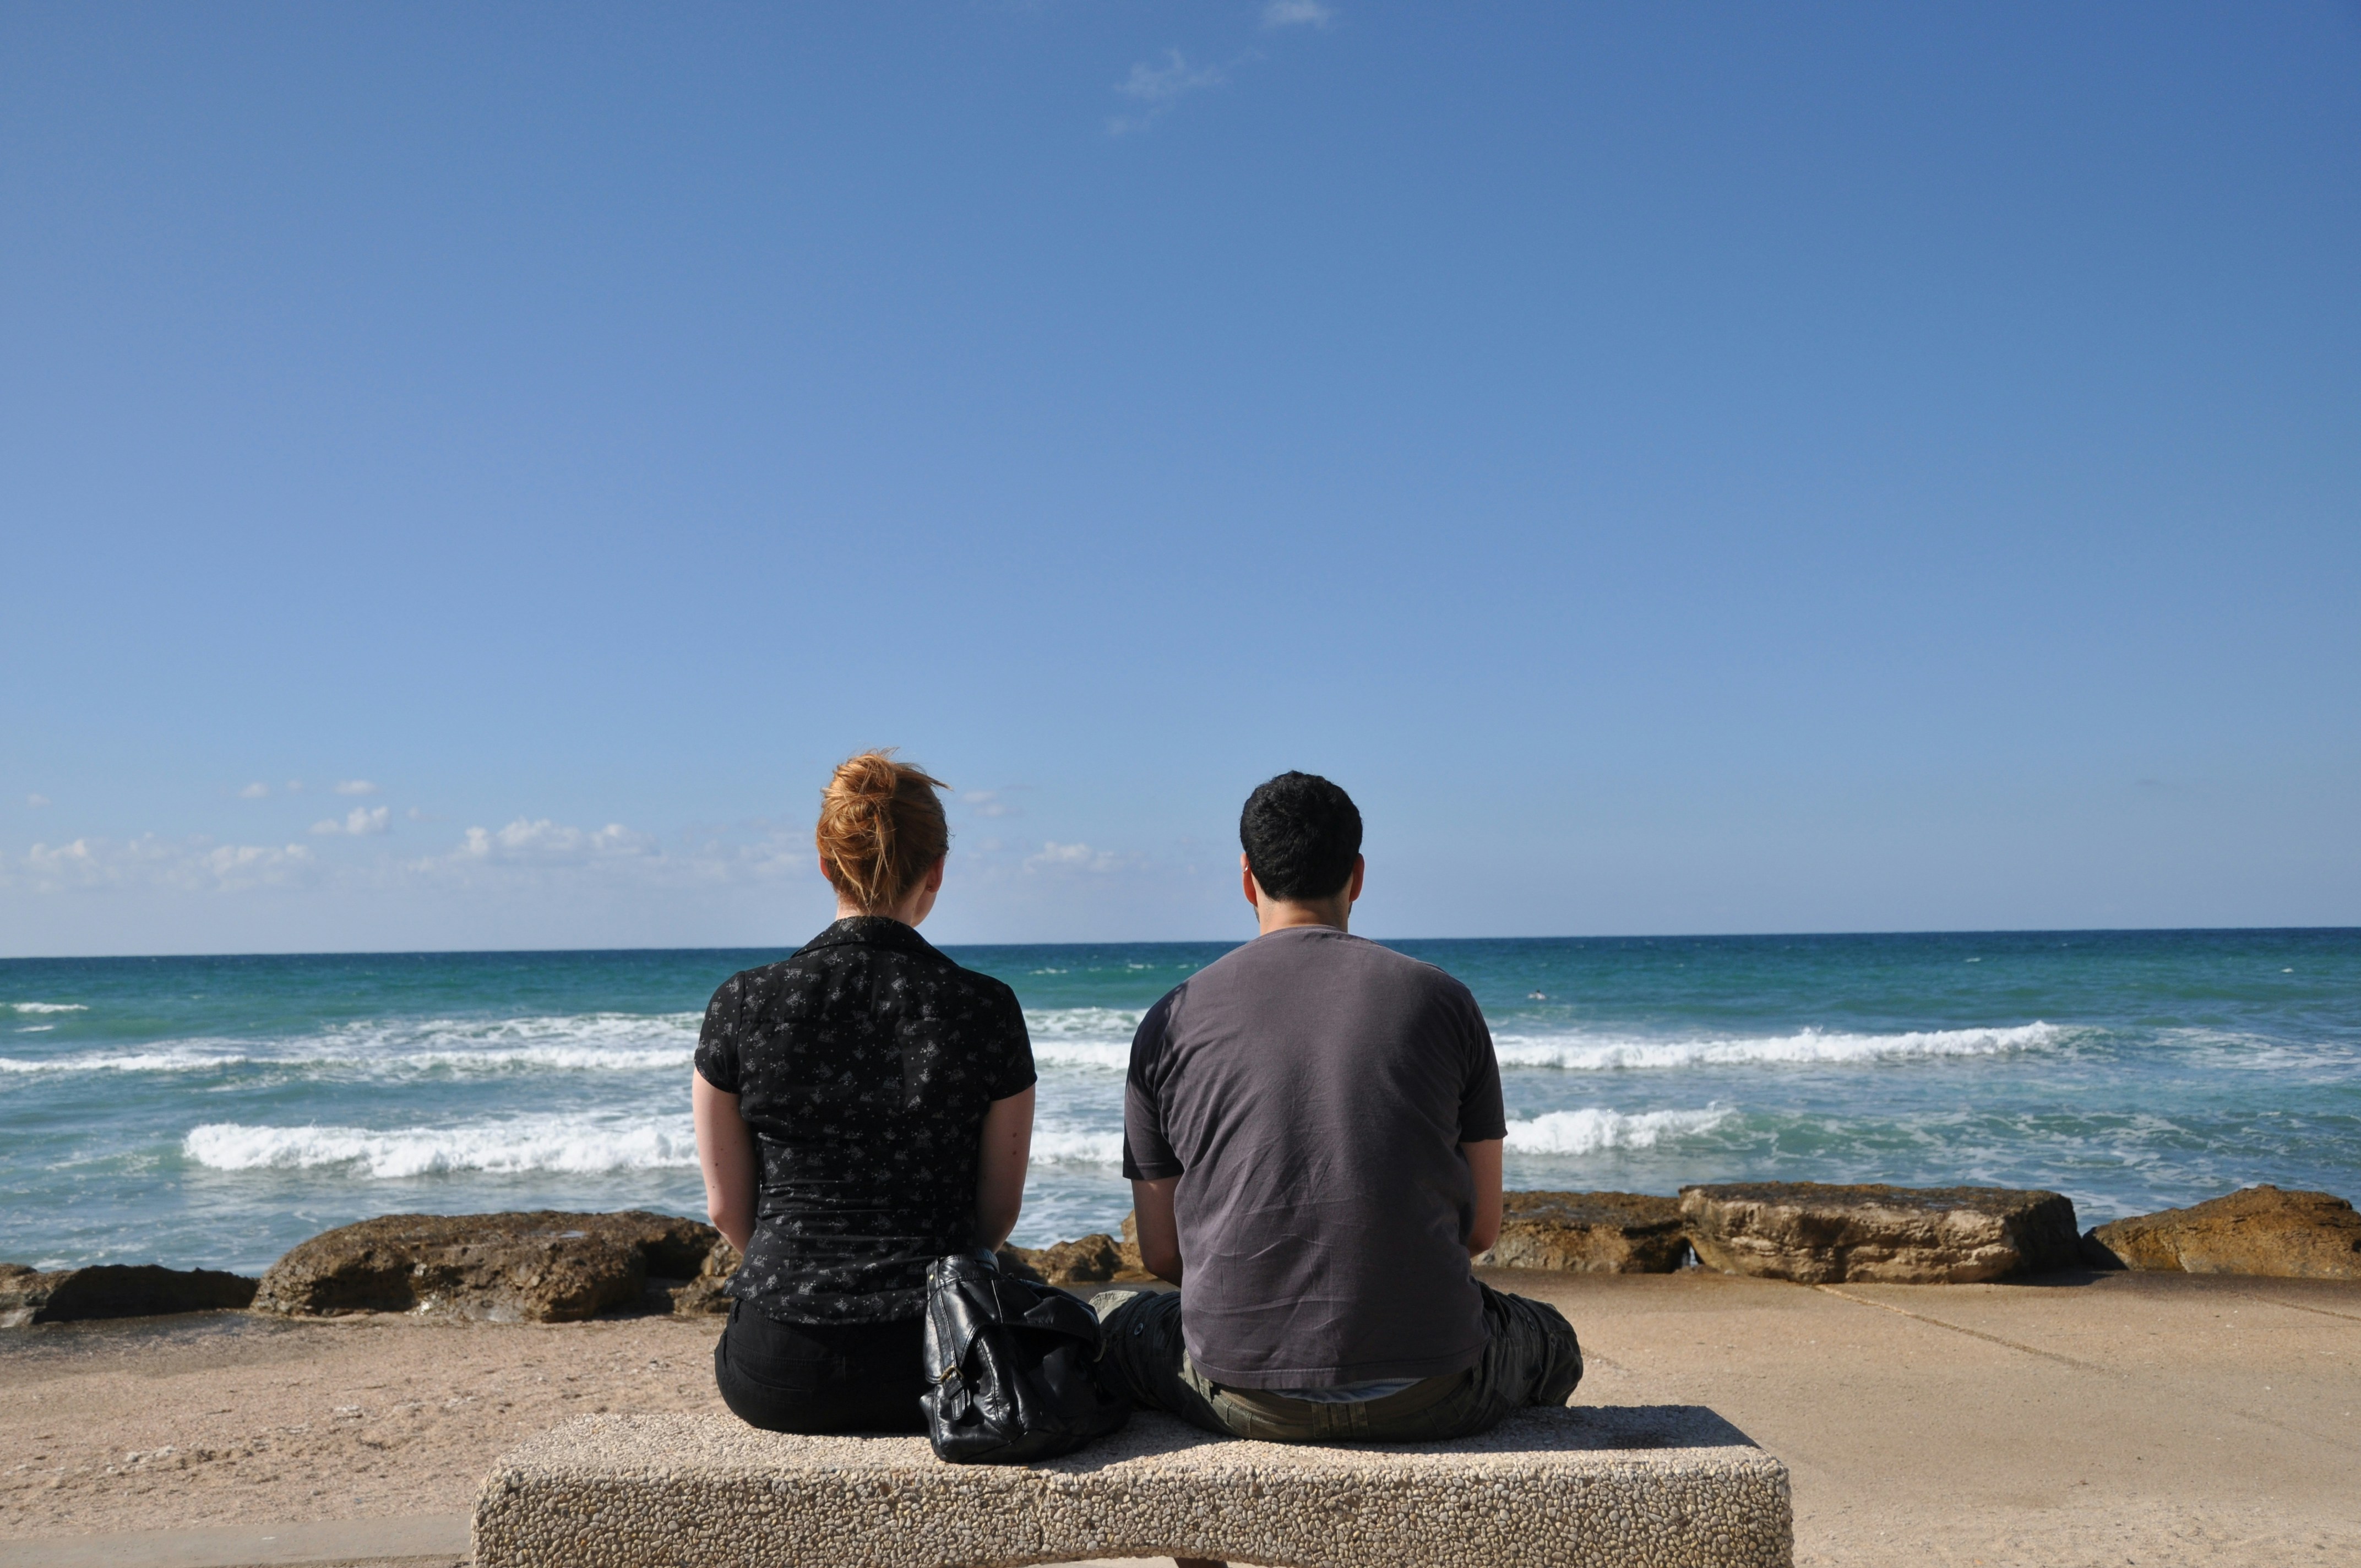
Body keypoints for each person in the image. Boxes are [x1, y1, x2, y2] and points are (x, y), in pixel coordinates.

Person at [1093, 770, 1582, 1448]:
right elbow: (1479, 1230)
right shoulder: (1444, 1001)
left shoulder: (1170, 1020)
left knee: (1113, 1319)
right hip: (1435, 1389)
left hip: (1241, 1391)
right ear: (1356, 875)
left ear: (1247, 879)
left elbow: (1163, 1253)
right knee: (1550, 1337)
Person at [692, 751, 1036, 1434]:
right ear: (936, 871)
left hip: (777, 1368)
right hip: (940, 1359)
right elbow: (995, 1216)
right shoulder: (986, 1007)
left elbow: (728, 1211)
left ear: (826, 865)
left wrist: (802, 1286)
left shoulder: (742, 1002)